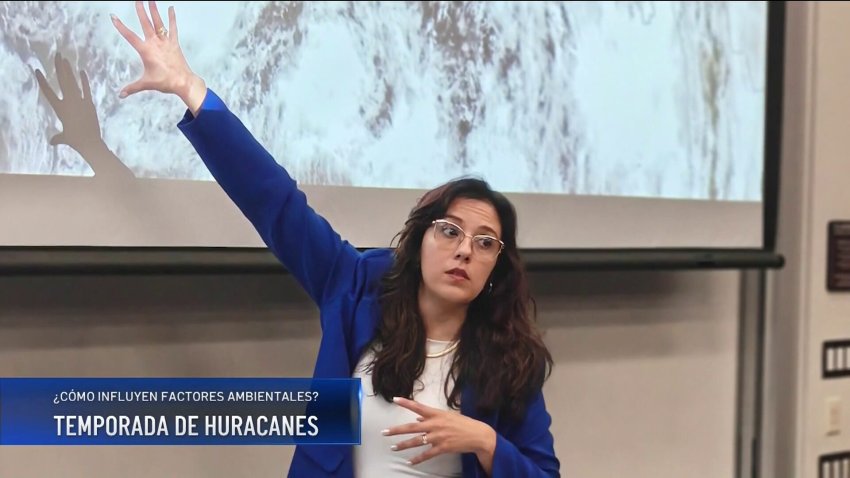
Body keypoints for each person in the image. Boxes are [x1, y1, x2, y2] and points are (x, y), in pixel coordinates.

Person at [111, 2, 560, 477]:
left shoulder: (510, 360)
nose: (465, 250)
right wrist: (189, 87)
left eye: (485, 243)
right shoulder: (355, 286)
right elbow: (275, 201)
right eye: (450, 231)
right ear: (420, 240)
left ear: (496, 269)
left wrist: (485, 442)